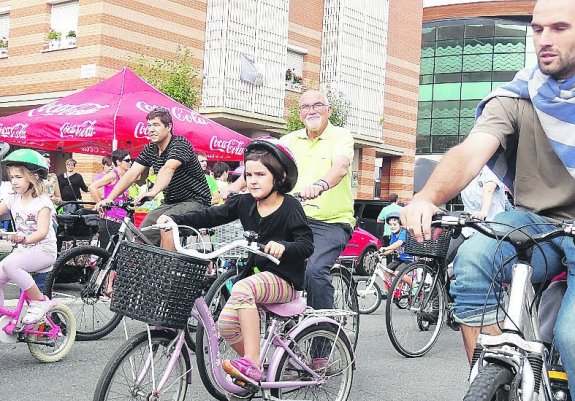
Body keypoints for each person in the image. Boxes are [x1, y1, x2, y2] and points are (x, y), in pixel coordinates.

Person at [401, 0, 575, 395]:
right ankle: (495, 379)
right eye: (537, 29)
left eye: (559, 28)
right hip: (537, 221)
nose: (544, 39)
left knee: (571, 336)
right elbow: (470, 151)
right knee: (475, 256)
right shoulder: (519, 95)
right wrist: (427, 197)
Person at [157, 138, 313, 388]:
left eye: (261, 174)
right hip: (256, 276)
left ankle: (250, 362)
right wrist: (176, 219)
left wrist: (284, 247)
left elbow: (306, 244)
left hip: (284, 280)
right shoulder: (244, 203)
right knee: (227, 326)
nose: (252, 180)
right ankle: (256, 364)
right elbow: (211, 215)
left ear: (280, 177)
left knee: (242, 288)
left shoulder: (290, 206)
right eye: (249, 174)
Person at [225, 90, 355, 315]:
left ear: (329, 110)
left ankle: (322, 336)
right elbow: (261, 167)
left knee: (313, 270)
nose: (311, 110)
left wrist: (321, 185)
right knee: (260, 260)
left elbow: (340, 167)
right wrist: (231, 189)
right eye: (305, 106)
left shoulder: (341, 136)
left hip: (330, 222)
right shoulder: (289, 140)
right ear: (299, 113)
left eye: (317, 105)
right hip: (293, 218)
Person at [95, 108, 211, 245]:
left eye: (156, 125)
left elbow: (168, 168)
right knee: (142, 236)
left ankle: (168, 265)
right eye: (149, 125)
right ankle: (144, 265)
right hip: (171, 202)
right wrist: (109, 198)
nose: (151, 129)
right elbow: (132, 173)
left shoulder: (180, 144)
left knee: (165, 223)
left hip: (196, 201)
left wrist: (153, 191)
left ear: (168, 127)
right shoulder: (151, 148)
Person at [0, 149, 57, 324]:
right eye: (11, 177)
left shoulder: (43, 203)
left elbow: (41, 232)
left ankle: (40, 302)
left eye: (19, 177)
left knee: (10, 265)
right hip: (25, 250)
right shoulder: (13, 199)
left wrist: (24, 238)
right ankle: (3, 318)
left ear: (34, 177)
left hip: (44, 250)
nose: (14, 182)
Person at [88, 149, 132, 250]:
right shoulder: (113, 175)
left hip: (121, 221)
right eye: (127, 160)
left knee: (119, 254)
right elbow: (92, 187)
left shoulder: (124, 177)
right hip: (110, 220)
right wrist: (100, 204)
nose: (130, 162)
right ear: (118, 162)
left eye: (131, 160)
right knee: (107, 254)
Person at [378, 211, 413, 283]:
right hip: (400, 258)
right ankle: (390, 291)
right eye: (390, 225)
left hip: (409, 259)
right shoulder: (393, 235)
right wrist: (381, 253)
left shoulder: (404, 232)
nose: (392, 226)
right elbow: (391, 249)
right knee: (387, 272)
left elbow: (399, 243)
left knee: (398, 273)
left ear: (400, 225)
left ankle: (414, 286)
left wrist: (386, 248)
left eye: (395, 224)